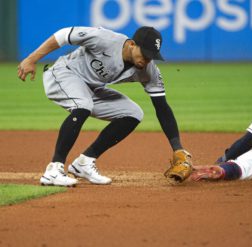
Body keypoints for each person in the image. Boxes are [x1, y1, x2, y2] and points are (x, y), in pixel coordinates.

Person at [17, 26, 192, 187]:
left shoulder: (148, 71)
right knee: (83, 105)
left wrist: (177, 148)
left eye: (151, 56)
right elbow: (63, 35)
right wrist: (31, 59)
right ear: (131, 44)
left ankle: (84, 163)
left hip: (92, 88)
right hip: (64, 73)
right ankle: (53, 170)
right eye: (144, 54)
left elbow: (162, 107)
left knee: (133, 113)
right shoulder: (104, 39)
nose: (146, 60)